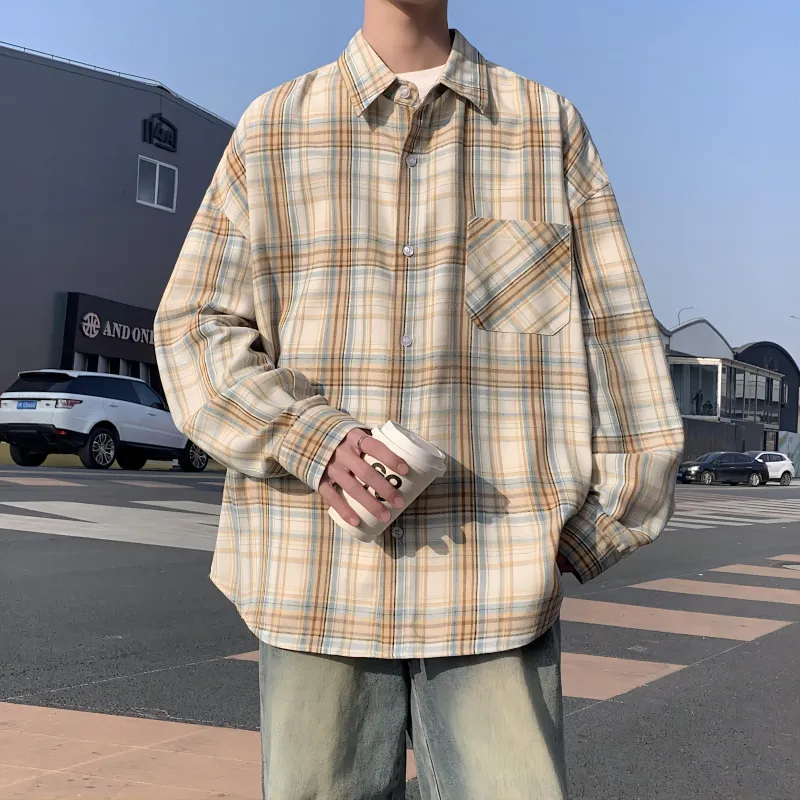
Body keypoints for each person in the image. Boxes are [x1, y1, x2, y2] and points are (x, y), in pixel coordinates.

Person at [154, 0, 685, 797]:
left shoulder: (543, 129)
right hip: (314, 582)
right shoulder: (275, 131)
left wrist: (586, 533)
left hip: (495, 592)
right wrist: (310, 437)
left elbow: (619, 341)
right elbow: (193, 329)